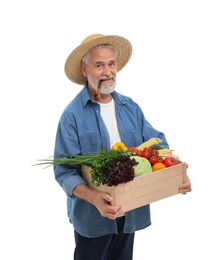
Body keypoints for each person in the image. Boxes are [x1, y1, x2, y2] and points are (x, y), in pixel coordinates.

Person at [54, 34, 192, 260]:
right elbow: (65, 171)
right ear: (84, 68)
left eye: (111, 64)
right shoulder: (72, 116)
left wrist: (177, 171)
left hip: (130, 209)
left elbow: (157, 143)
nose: (107, 72)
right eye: (99, 65)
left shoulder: (130, 108)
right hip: (92, 217)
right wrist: (95, 198)